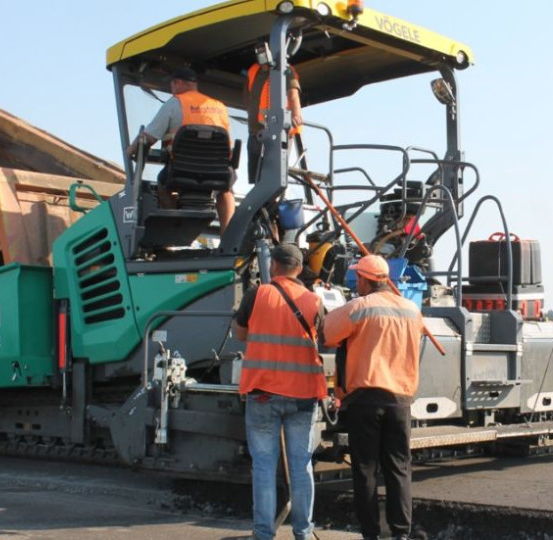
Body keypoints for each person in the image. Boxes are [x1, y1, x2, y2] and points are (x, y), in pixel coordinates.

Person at [322, 255, 424, 540]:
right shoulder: (412, 310)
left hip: (365, 400)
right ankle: (401, 533)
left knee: (365, 470)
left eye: (358, 278)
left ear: (367, 280)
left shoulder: (359, 307)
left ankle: (370, 533)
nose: (356, 283)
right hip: (400, 400)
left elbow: (327, 333)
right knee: (399, 468)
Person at [233, 243, 326, 540]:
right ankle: (303, 532)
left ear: (273, 265)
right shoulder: (314, 300)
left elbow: (240, 333)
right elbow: (325, 337)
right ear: (299, 268)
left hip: (263, 392)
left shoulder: (257, 294)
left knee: (263, 465)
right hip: (303, 395)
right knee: (301, 464)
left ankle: (263, 534)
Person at [126, 67, 237, 233]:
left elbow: (148, 136)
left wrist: (130, 151)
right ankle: (227, 234)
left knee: (162, 187)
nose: (171, 90)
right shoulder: (219, 106)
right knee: (227, 189)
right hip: (217, 171)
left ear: (177, 83)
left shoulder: (175, 103)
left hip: (182, 171)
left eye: (171, 85)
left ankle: (179, 224)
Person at [243, 61, 303, 183]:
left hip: (279, 133)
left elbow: (293, 93)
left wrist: (296, 115)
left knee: (275, 176)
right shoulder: (253, 70)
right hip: (256, 133)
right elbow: (247, 97)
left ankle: (274, 199)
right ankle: (260, 200)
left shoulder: (285, 69)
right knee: (256, 178)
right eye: (258, 51)